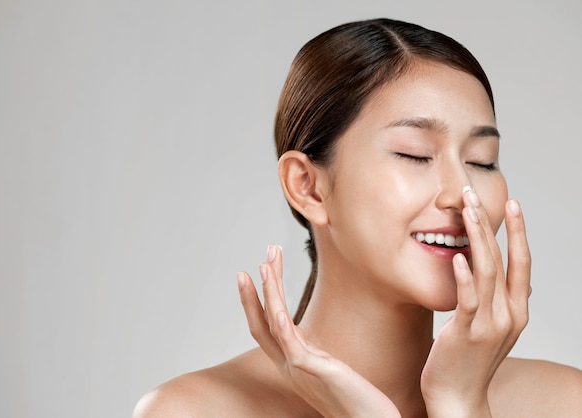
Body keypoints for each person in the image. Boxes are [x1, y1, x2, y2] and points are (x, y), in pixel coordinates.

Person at [133, 18, 582, 417]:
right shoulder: (195, 412)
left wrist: (460, 405)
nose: (463, 195)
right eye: (415, 154)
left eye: (483, 161)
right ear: (307, 186)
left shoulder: (563, 403)